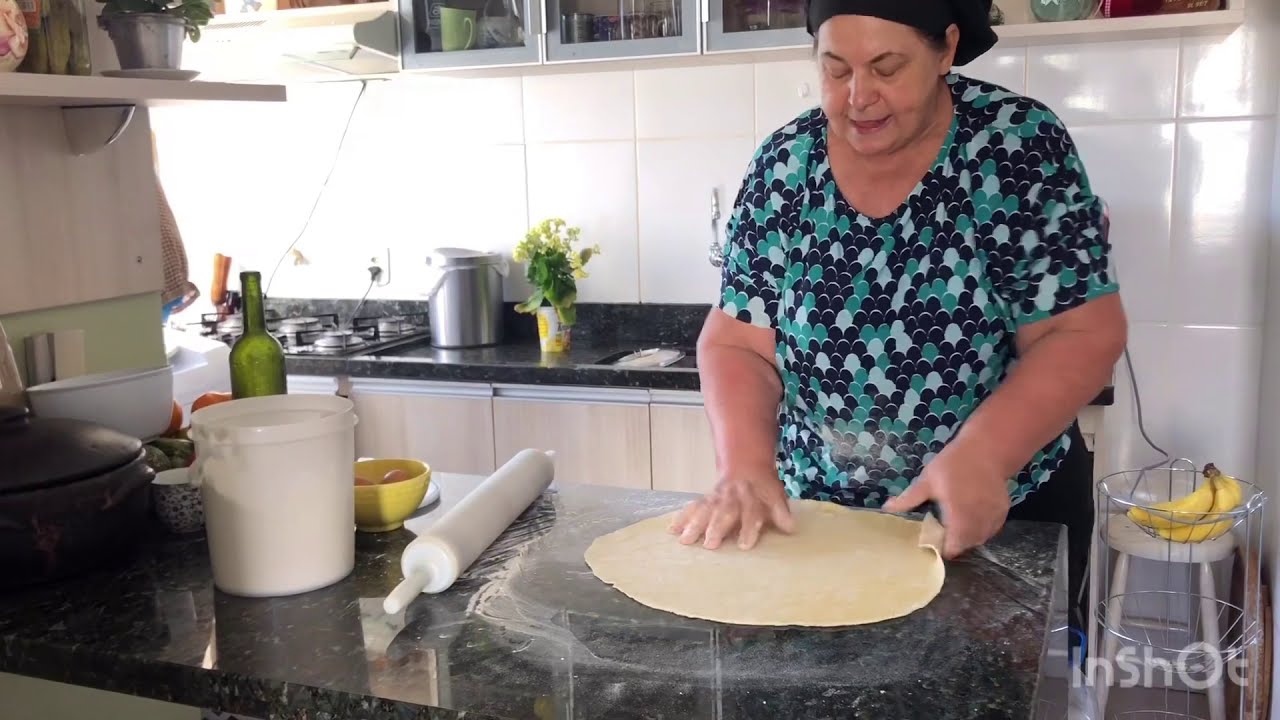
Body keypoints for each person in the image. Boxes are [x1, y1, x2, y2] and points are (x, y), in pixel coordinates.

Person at [672, 0, 1127, 630]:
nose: (858, 97)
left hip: (995, 522)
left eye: (887, 68)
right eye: (836, 70)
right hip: (824, 530)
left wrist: (985, 456)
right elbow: (737, 345)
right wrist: (746, 466)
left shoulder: (1014, 146)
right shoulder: (786, 166)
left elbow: (1082, 331)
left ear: (944, 49)